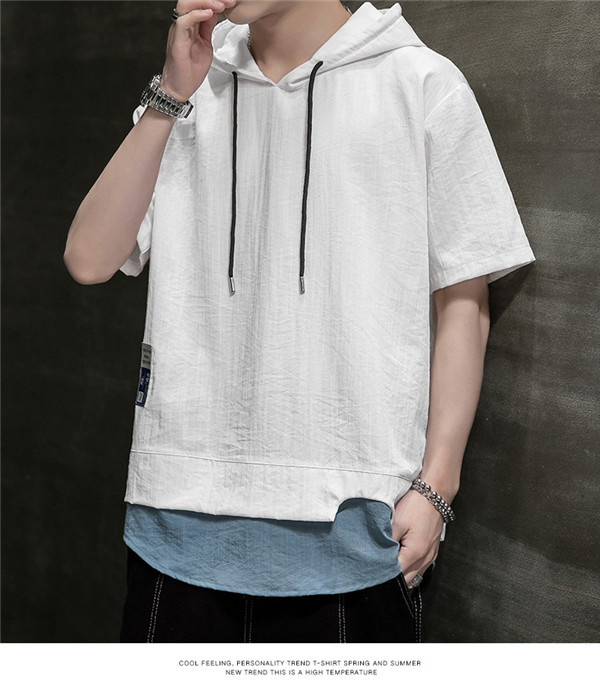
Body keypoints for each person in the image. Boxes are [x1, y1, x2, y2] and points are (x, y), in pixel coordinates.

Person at [64, 0, 536, 643]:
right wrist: (170, 95)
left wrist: (436, 488)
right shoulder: (188, 89)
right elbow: (89, 259)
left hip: (357, 535)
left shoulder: (420, 82)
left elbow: (463, 297)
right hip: (175, 527)